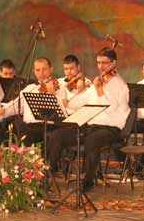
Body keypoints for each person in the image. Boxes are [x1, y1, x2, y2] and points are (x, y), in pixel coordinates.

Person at [47, 47, 130, 191]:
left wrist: (99, 90)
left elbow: (110, 108)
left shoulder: (119, 84)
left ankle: (88, 183)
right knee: (58, 135)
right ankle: (49, 174)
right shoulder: (99, 81)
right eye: (98, 62)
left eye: (105, 63)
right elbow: (83, 100)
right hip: (91, 126)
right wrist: (69, 99)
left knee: (92, 140)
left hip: (110, 129)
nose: (101, 66)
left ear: (114, 63)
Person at [0, 57, 65, 145]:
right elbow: (15, 106)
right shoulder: (30, 88)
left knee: (24, 136)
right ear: (34, 72)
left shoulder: (59, 86)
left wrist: (54, 95)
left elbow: (64, 110)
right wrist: (3, 110)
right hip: (28, 127)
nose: (41, 73)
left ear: (51, 70)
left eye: (44, 69)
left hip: (49, 126)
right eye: (38, 70)